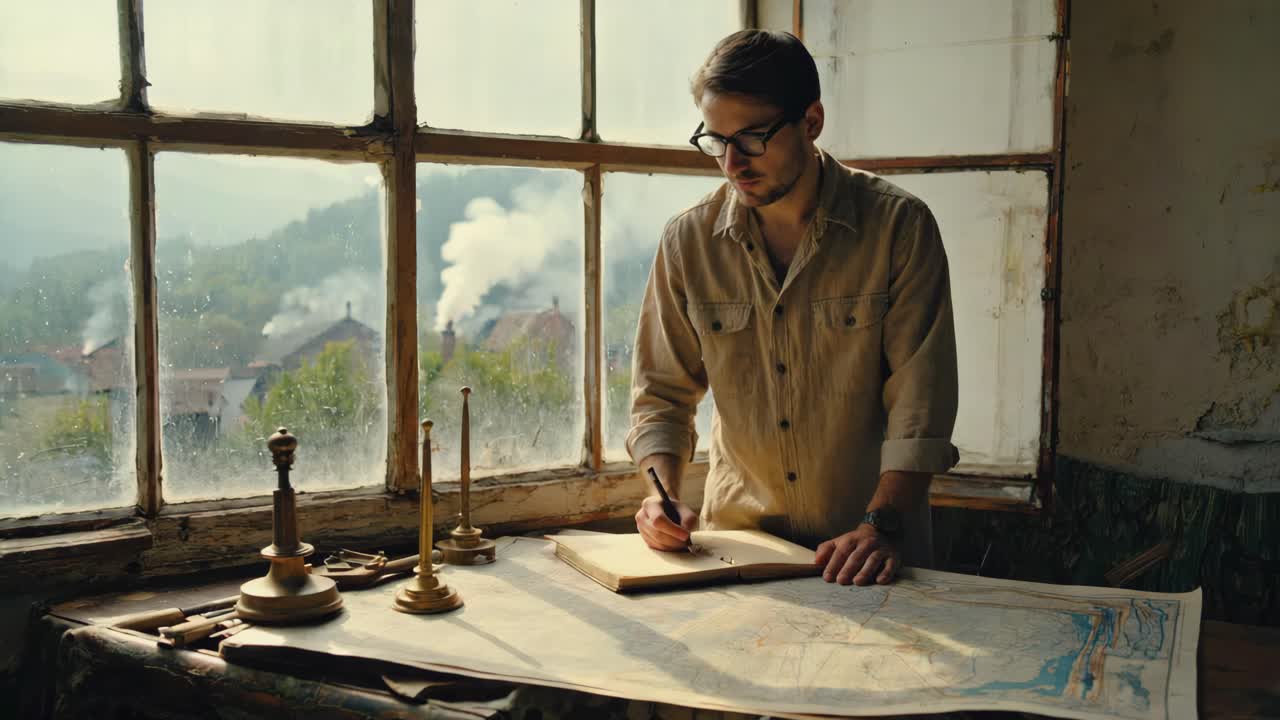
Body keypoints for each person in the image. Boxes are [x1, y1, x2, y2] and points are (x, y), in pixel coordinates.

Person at [627, 30, 959, 587]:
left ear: (811, 121)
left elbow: (920, 403)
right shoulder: (688, 242)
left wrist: (882, 524)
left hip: (871, 551)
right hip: (736, 551)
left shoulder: (899, 227)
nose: (733, 163)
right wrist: (658, 497)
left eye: (753, 137)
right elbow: (661, 396)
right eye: (715, 140)